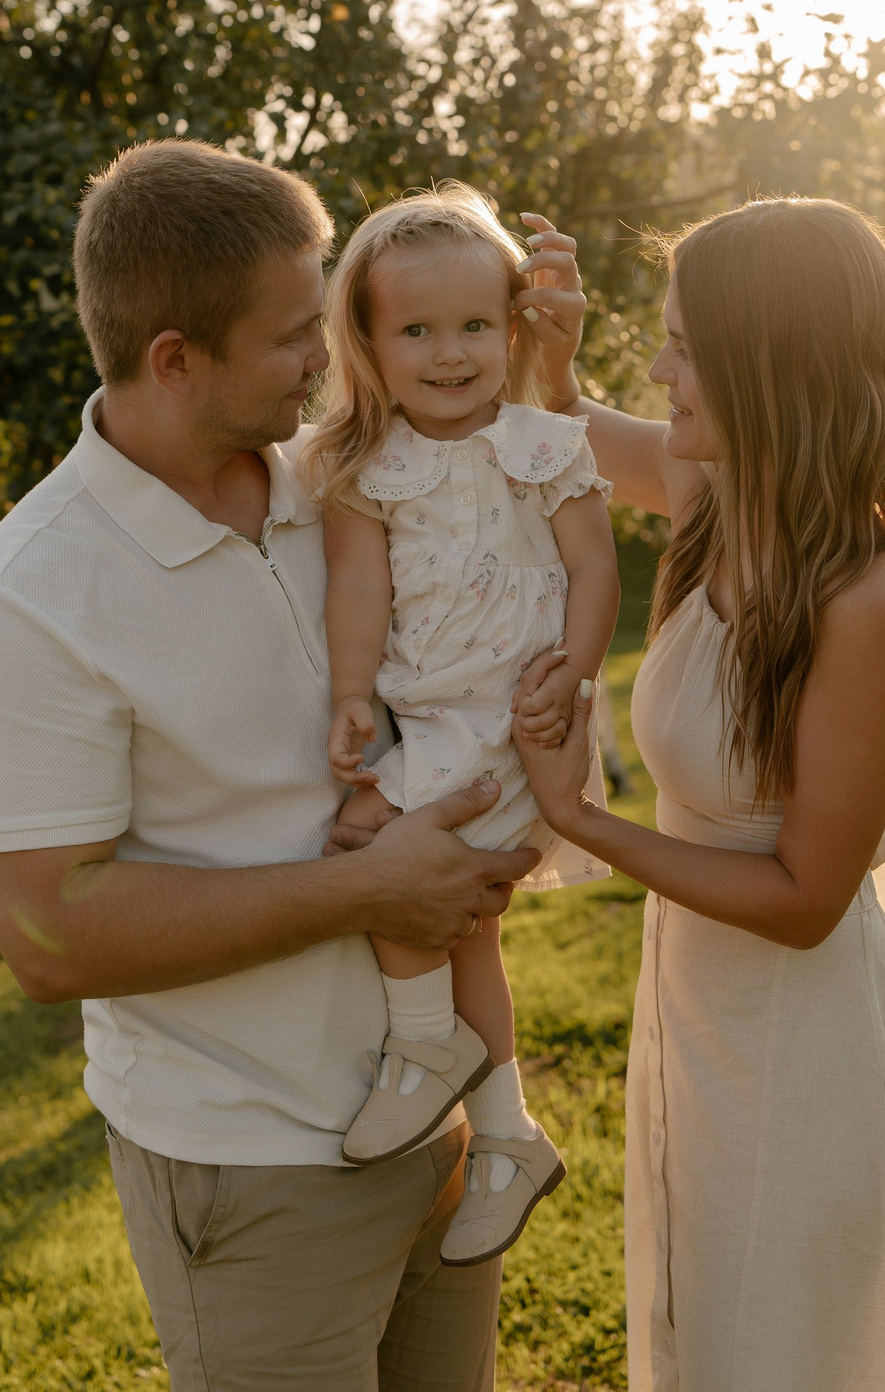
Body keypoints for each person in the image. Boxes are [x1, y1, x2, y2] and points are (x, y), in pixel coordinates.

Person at [0, 141, 564, 1391]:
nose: (328, 363)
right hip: (255, 1165)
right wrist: (373, 892)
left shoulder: (341, 479)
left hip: (434, 1121)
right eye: (293, 339)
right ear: (176, 359)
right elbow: (48, 935)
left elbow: (536, 493)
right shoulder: (31, 599)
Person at [514, 198, 885, 1390]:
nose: (658, 369)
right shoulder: (724, 503)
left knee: (789, 1346)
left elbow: (806, 896)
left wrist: (586, 824)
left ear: (773, 363)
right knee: (710, 1330)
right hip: (701, 1005)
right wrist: (545, 352)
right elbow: (559, 429)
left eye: (682, 347)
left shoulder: (857, 598)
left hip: (801, 1037)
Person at [302, 184, 619, 1265]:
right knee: (454, 911)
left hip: (517, 716)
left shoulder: (543, 444)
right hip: (429, 716)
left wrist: (573, 672)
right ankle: (501, 1133)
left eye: (475, 324)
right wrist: (353, 693)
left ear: (513, 326)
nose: (450, 353)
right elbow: (356, 592)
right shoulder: (365, 468)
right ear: (370, 343)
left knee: (398, 866)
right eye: (418, 331)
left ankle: (428, 1051)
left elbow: (594, 566)